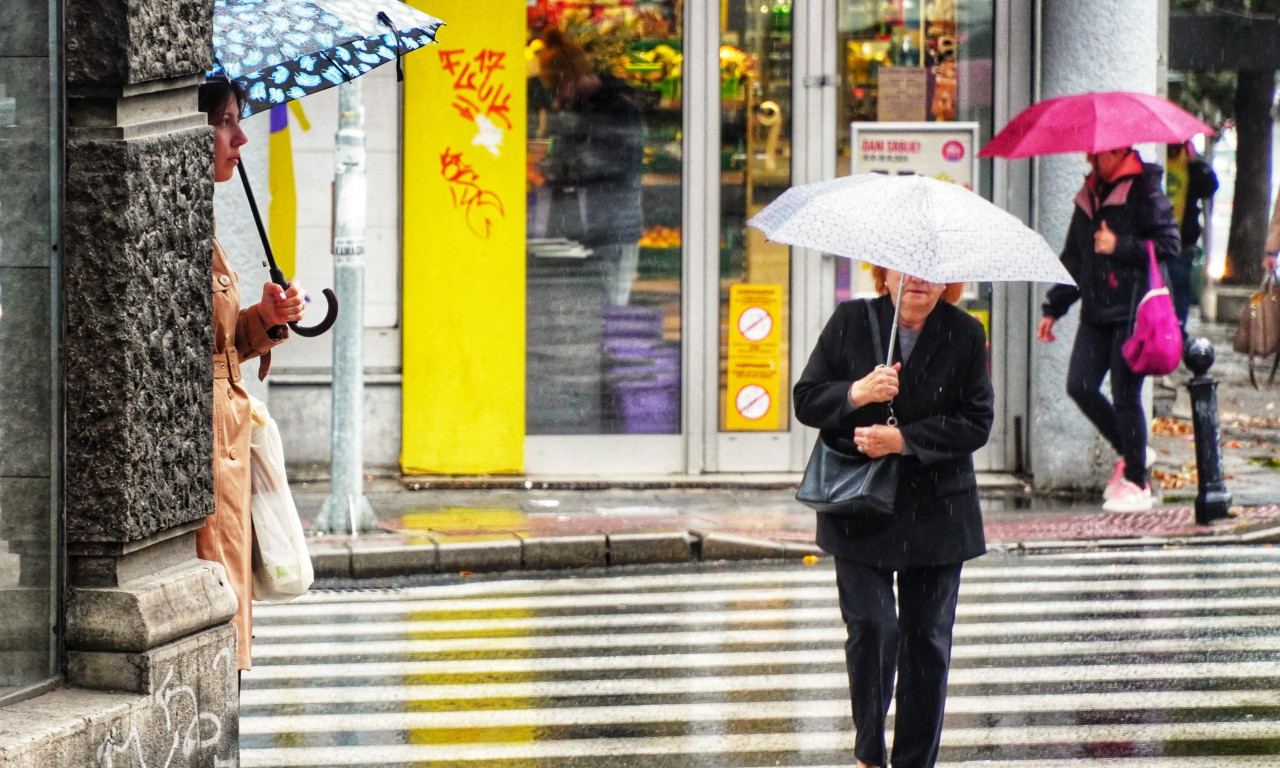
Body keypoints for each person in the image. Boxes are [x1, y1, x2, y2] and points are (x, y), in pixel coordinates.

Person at [794, 268, 993, 768]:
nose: (918, 280)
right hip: (859, 506)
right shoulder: (851, 320)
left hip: (938, 511)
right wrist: (857, 394)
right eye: (906, 270)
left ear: (947, 283)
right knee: (873, 628)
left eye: (933, 273)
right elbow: (806, 400)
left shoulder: (965, 333)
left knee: (927, 643)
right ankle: (869, 751)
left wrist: (904, 440)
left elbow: (976, 421)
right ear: (884, 275)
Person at [197, 78, 307, 672]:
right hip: (209, 451)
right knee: (217, 615)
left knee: (230, 608)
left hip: (227, 447)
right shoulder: (176, 225)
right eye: (225, 122)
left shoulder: (200, 222)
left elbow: (214, 344)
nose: (240, 137)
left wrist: (264, 318)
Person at [1037, 147, 1181, 512]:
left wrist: (1119, 245)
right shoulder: (1089, 195)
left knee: (1125, 394)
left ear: (1117, 152)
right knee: (1080, 385)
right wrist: (1054, 307)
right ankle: (1133, 452)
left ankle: (1137, 483)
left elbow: (1169, 245)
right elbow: (1074, 257)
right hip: (1096, 311)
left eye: (1097, 154)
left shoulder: (1145, 192)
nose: (1089, 159)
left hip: (1134, 310)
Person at [537, 28, 644, 306]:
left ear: (572, 78)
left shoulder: (620, 111)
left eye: (558, 88)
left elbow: (612, 165)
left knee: (609, 310)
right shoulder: (583, 110)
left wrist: (563, 168)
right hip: (589, 231)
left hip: (613, 231)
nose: (558, 98)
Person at [1164, 142, 1218, 338]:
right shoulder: (1158, 160)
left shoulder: (1191, 167)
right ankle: (1165, 331)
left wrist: (1196, 161)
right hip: (1159, 240)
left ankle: (1177, 332)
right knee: (1161, 289)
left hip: (1182, 241)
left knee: (1179, 288)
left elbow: (1210, 186)